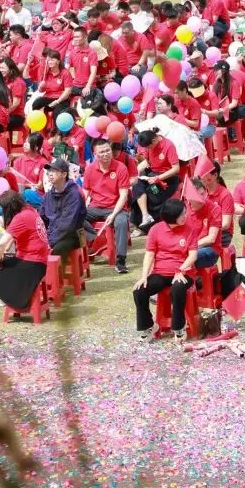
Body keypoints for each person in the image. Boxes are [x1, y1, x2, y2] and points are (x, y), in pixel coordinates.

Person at [133, 198, 197, 343]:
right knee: (139, 290)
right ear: (172, 217)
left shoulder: (190, 229)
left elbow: (193, 255)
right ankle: (149, 326)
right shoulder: (156, 229)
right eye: (182, 214)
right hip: (160, 272)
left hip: (184, 272)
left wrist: (181, 270)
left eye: (185, 212)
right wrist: (144, 276)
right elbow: (149, 254)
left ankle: (179, 327)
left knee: (177, 288)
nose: (185, 216)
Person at [0, 189, 50, 313]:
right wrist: (4, 250)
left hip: (32, 264)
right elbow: (13, 239)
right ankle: (10, 294)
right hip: (39, 260)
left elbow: (2, 243)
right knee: (3, 260)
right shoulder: (29, 210)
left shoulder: (20, 217)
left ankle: (8, 296)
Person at [82, 137, 131, 272]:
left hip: (116, 207)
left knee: (121, 222)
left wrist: (113, 214)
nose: (106, 154)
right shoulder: (90, 169)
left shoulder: (121, 168)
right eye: (102, 152)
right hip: (95, 207)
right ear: (95, 154)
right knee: (75, 217)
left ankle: (120, 260)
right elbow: (85, 192)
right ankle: (97, 241)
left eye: (108, 150)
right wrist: (81, 207)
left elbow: (123, 196)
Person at [41, 158, 86, 259]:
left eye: (54, 171)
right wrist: (43, 239)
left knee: (56, 252)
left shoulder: (74, 195)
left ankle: (59, 270)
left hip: (73, 235)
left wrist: (50, 242)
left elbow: (67, 225)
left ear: (64, 174)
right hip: (53, 235)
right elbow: (42, 220)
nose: (50, 174)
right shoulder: (48, 196)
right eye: (49, 171)